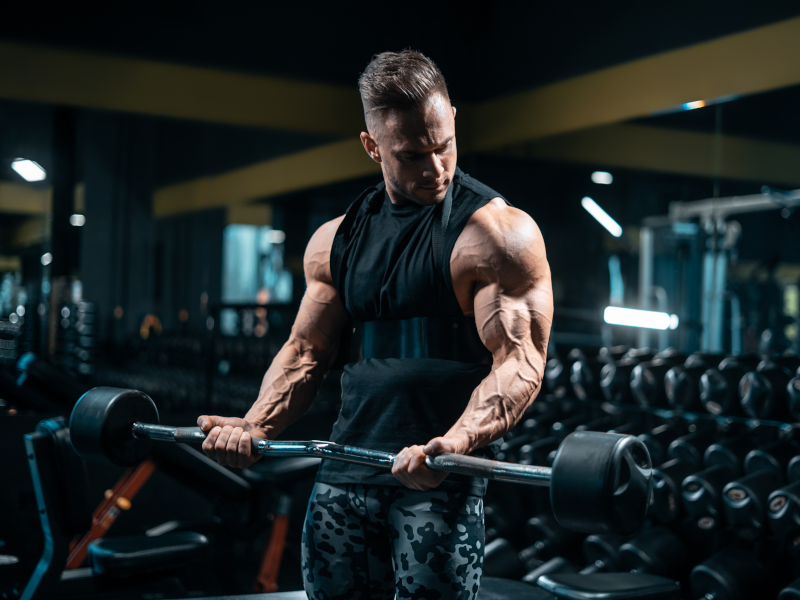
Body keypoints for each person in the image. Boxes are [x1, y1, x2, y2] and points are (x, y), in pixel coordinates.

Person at [197, 49, 553, 600]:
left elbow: (521, 358)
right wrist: (255, 426)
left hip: (437, 485)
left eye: (444, 146)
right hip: (343, 472)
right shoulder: (336, 241)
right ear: (372, 147)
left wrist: (454, 443)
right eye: (412, 155)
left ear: (453, 118)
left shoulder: (496, 236)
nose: (435, 168)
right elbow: (305, 352)